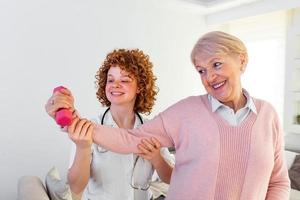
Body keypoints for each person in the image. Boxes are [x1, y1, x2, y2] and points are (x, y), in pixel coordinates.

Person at [47, 31, 290, 200]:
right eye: (201, 70)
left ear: (242, 61)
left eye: (216, 64)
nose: (209, 77)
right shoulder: (184, 113)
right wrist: (73, 121)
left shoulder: (268, 115)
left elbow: (278, 182)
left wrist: (155, 158)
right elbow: (127, 140)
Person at [45, 49, 174, 200]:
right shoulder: (88, 128)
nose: (115, 85)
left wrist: (156, 158)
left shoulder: (152, 128)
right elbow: (76, 187)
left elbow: (172, 178)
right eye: (110, 80)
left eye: (124, 80)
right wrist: (83, 147)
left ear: (140, 86)